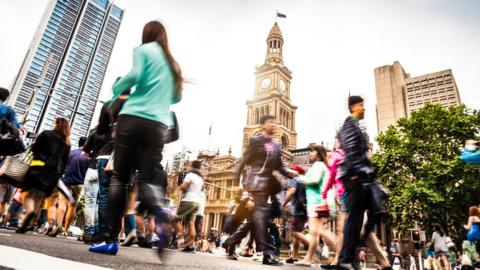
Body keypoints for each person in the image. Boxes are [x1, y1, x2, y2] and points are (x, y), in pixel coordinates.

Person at [89, 20, 183, 259]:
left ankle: (110, 240)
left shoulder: (144, 50)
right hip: (158, 125)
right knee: (147, 179)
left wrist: (118, 87)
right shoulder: (172, 64)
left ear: (147, 34)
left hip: (133, 118)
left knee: (119, 178)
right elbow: (176, 97)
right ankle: (161, 210)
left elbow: (136, 75)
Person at [337, 95, 390, 270]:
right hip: (356, 176)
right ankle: (346, 258)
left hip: (362, 175)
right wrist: (359, 172)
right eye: (361, 105)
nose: (364, 108)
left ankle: (349, 256)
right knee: (355, 218)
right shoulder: (350, 124)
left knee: (369, 213)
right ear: (353, 107)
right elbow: (351, 150)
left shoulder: (355, 126)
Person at [236, 114, 295, 265]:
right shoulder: (255, 141)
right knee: (260, 216)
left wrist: (290, 172)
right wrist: (236, 184)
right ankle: (268, 253)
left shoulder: (276, 146)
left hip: (270, 186)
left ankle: (232, 242)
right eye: (271, 122)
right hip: (257, 184)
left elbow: (279, 166)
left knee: (259, 217)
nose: (274, 125)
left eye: (275, 123)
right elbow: (243, 162)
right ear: (262, 126)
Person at [16, 117, 71, 234]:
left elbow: (34, 148)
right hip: (53, 174)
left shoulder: (46, 134)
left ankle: (29, 213)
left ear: (56, 124)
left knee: (27, 195)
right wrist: (58, 175)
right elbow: (64, 162)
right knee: (39, 198)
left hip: (38, 166)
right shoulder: (67, 143)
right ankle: (30, 224)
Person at [292, 144, 336, 266]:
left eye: (312, 152)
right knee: (315, 233)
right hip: (316, 202)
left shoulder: (319, 165)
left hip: (316, 202)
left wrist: (299, 178)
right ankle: (308, 258)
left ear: (318, 154)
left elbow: (315, 180)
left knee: (318, 232)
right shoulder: (320, 166)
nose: (310, 154)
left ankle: (340, 252)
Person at [50, 136, 89, 237]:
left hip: (66, 181)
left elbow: (63, 166)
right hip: (79, 183)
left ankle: (58, 225)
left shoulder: (71, 153)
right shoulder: (89, 156)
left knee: (62, 204)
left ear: (79, 143)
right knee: (72, 206)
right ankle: (65, 230)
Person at [321, 138, 347, 269]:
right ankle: (338, 259)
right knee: (343, 229)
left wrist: (324, 192)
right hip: (349, 194)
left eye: (336, 141)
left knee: (341, 229)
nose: (335, 143)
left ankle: (340, 260)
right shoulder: (349, 154)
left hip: (345, 194)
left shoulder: (337, 154)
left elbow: (332, 176)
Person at [172, 160, 204, 252]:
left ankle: (180, 239)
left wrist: (180, 186)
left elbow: (185, 187)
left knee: (174, 220)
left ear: (192, 166)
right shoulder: (201, 179)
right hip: (197, 203)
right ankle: (190, 245)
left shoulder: (190, 175)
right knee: (191, 224)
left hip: (189, 200)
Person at [282, 165, 309, 264]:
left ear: (297, 171)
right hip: (304, 210)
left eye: (293, 170)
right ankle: (294, 256)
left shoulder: (296, 180)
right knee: (297, 235)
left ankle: (312, 245)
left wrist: (284, 203)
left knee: (294, 232)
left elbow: (292, 191)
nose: (291, 172)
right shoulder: (305, 180)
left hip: (297, 209)